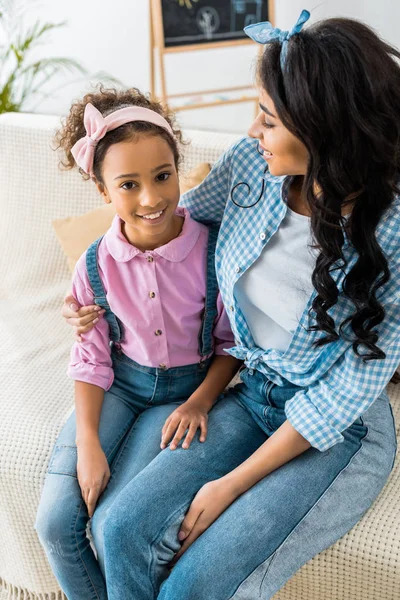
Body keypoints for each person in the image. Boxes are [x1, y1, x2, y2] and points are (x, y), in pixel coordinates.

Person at [61, 10, 400, 600]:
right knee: (117, 529)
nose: (250, 132)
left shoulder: (392, 232)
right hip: (254, 392)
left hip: (335, 431)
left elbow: (342, 395)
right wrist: (94, 280)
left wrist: (228, 487)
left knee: (193, 585)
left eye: (267, 119)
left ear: (323, 127)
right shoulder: (252, 170)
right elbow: (172, 216)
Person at [34, 87, 241, 600]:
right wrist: (88, 444)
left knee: (114, 522)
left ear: (177, 168)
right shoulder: (93, 265)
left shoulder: (214, 252)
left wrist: (200, 400)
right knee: (57, 523)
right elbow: (91, 357)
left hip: (181, 395)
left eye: (163, 176)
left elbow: (231, 342)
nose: (151, 198)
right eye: (129, 184)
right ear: (104, 190)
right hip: (118, 387)